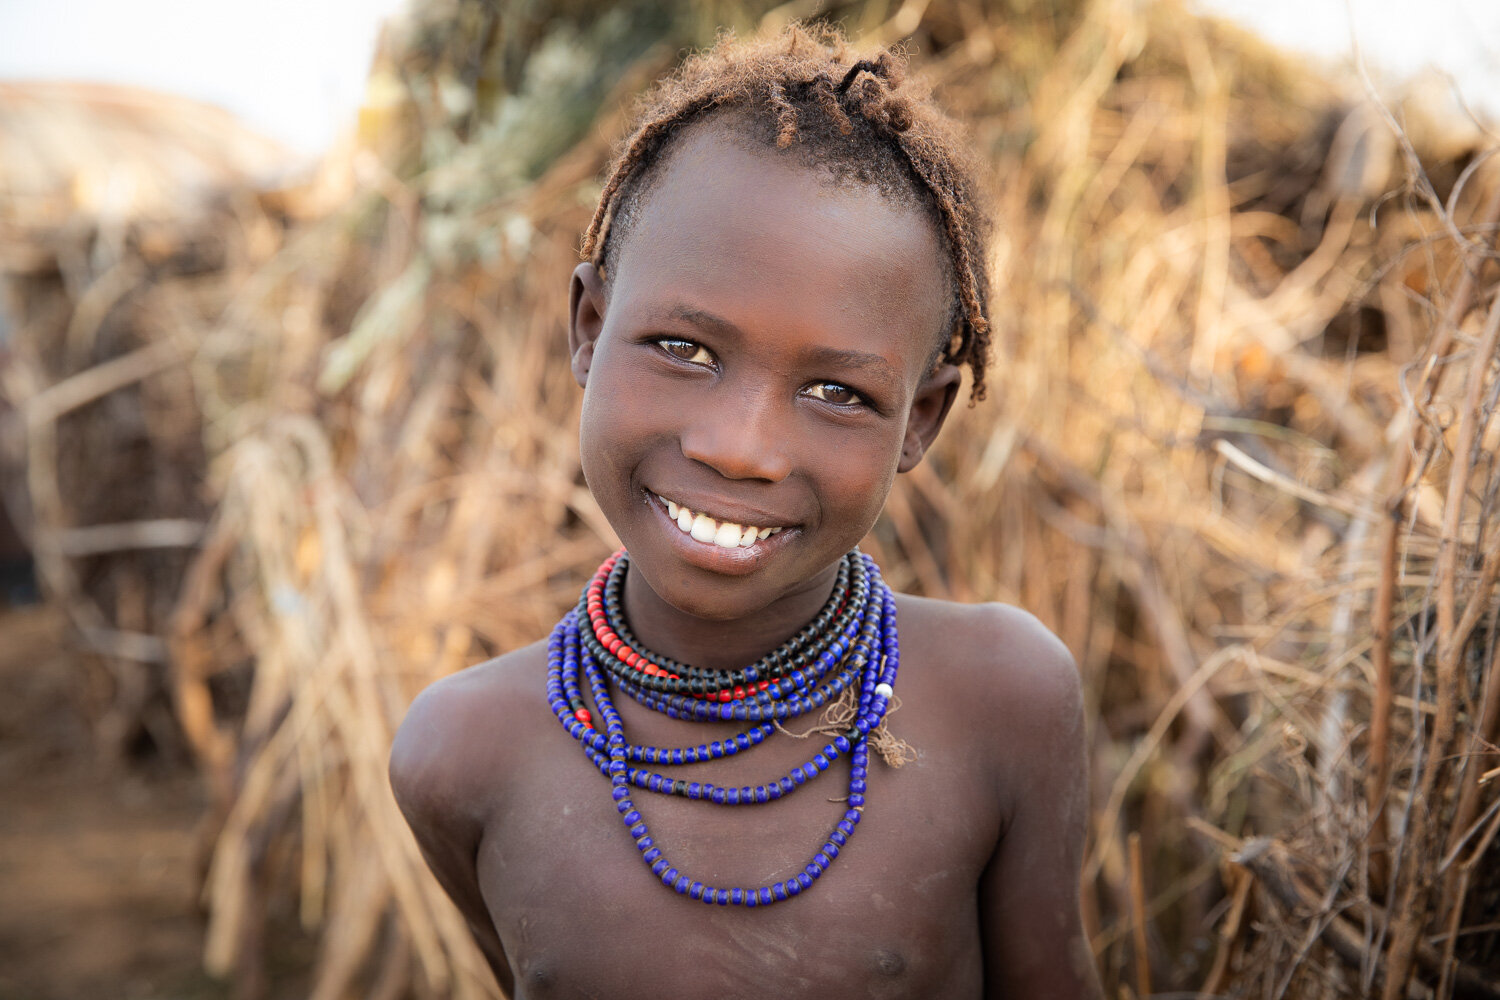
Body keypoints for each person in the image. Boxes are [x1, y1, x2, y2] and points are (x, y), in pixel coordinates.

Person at [391, 24, 1101, 1000]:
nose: (740, 447)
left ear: (919, 420)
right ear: (590, 328)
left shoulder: (1002, 701)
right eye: (684, 348)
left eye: (836, 393)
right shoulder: (461, 752)